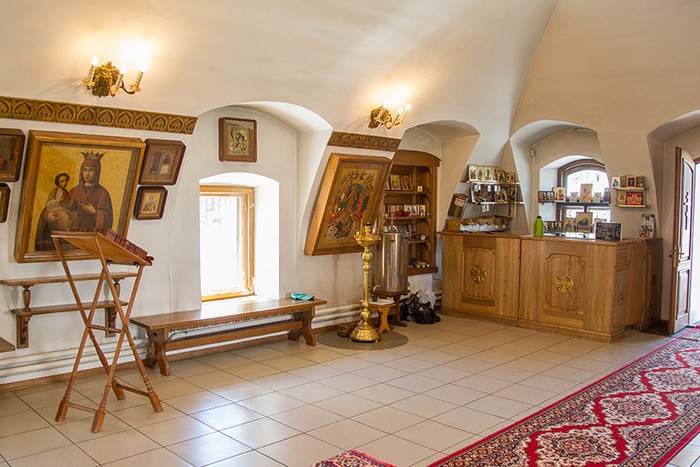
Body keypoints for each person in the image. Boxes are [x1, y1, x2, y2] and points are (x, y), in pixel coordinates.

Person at [68, 151, 113, 231]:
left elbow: (108, 219)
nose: (87, 174)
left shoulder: (102, 192)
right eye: (85, 170)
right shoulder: (74, 190)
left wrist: (94, 212)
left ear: (97, 173)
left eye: (91, 170)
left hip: (91, 233)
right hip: (73, 232)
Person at [34, 172, 77, 250]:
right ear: (58, 182)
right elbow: (48, 205)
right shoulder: (54, 191)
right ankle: (64, 234)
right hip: (53, 209)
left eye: (66, 181)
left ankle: (69, 233)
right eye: (62, 181)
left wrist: (72, 203)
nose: (65, 183)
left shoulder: (65, 192)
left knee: (74, 214)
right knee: (64, 216)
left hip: (61, 208)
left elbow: (67, 203)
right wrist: (56, 202)